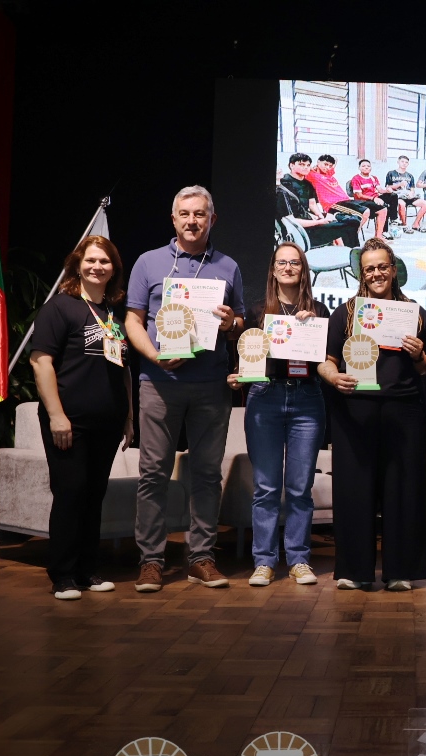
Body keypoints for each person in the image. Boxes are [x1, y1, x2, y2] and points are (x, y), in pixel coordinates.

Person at [125, 185, 244, 592]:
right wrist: (156, 357)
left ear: (212, 219)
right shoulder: (148, 262)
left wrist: (232, 325)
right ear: (173, 219)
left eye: (200, 214)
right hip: (158, 382)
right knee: (153, 473)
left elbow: (240, 326)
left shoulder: (228, 266)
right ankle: (151, 561)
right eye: (185, 214)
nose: (192, 221)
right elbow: (133, 321)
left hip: (211, 385)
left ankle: (201, 558)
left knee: (207, 475)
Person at [317, 238, 426, 590]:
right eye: (370, 268)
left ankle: (400, 571)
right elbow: (327, 361)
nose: (377, 273)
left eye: (383, 266)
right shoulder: (347, 312)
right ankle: (354, 570)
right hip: (355, 412)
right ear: (362, 274)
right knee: (354, 490)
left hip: (404, 412)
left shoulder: (413, 312)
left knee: (403, 491)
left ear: (394, 270)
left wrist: (418, 355)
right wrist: (334, 377)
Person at [30, 235, 133, 600]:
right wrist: (57, 415)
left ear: (113, 270)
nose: (97, 267)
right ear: (77, 265)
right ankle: (62, 575)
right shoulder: (60, 307)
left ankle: (88, 571)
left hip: (108, 422)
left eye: (105, 262)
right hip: (69, 422)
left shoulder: (113, 314)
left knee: (93, 495)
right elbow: (40, 362)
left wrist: (129, 417)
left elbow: (123, 370)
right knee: (71, 493)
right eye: (90, 260)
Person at [227, 243, 329, 588]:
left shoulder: (319, 310)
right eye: (281, 262)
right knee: (267, 487)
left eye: (295, 263)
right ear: (273, 269)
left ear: (303, 269)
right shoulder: (257, 313)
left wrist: (314, 328)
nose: (288, 267)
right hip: (266, 398)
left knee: (300, 487)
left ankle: (299, 559)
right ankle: (265, 561)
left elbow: (325, 360)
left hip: (307, 400)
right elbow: (247, 360)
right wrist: (237, 374)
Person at [277, 153, 361, 248]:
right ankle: (351, 254)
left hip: (310, 219)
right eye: (301, 164)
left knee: (353, 221)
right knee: (347, 227)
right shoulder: (284, 185)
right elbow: (289, 220)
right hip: (302, 230)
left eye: (308, 165)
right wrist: (319, 222)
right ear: (291, 165)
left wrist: (321, 217)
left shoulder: (307, 184)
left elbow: (312, 204)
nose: (306, 168)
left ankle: (348, 251)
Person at [306, 154, 372, 229]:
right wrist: (313, 167)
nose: (327, 167)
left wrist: (322, 165)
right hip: (334, 203)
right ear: (318, 162)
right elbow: (305, 168)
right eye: (325, 164)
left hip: (346, 200)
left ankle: (352, 233)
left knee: (367, 210)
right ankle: (354, 233)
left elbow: (335, 159)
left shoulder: (328, 173)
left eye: (330, 166)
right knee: (365, 212)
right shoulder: (313, 175)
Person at [350, 159, 397, 239]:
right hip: (364, 201)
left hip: (375, 198)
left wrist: (387, 190)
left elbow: (380, 190)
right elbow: (359, 195)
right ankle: (383, 232)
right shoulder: (356, 178)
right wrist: (373, 198)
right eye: (363, 166)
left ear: (371, 168)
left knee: (393, 195)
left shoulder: (373, 178)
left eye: (368, 166)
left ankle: (393, 219)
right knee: (385, 209)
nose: (366, 168)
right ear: (359, 168)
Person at [385, 155, 426, 233]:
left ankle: (416, 224)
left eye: (406, 162)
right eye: (402, 161)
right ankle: (404, 225)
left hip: (408, 196)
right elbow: (388, 188)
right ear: (398, 162)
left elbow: (412, 189)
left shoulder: (410, 176)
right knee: (402, 204)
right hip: (397, 197)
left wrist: (412, 194)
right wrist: (399, 184)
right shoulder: (391, 173)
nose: (404, 164)